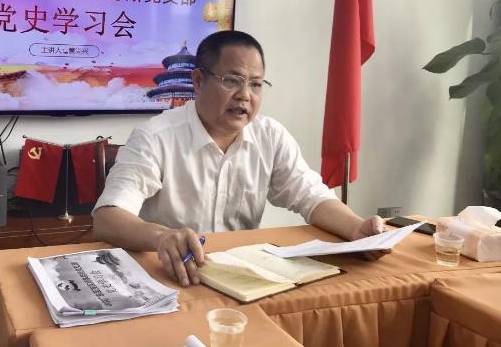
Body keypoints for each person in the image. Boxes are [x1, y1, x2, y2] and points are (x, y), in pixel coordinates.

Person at [93, 30, 386, 287]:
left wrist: (356, 228)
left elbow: (312, 197)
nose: (244, 95)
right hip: (174, 274)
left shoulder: (270, 136)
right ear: (198, 81)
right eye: (232, 81)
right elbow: (107, 218)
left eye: (256, 84)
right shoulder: (155, 137)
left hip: (242, 279)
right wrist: (161, 237)